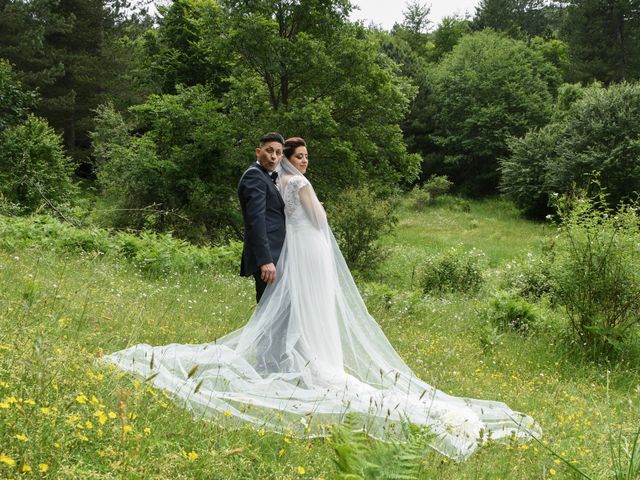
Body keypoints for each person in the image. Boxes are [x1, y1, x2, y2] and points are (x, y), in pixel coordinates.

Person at [103, 137, 541, 462]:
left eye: (292, 156)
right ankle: (287, 361)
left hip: (297, 251)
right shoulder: (271, 181)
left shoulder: (281, 181)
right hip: (288, 253)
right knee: (280, 311)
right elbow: (288, 220)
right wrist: (267, 256)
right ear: (265, 152)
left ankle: (293, 361)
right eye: (291, 155)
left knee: (287, 312)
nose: (293, 161)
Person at [237, 132, 286, 303]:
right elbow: (255, 221)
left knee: (278, 315)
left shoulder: (265, 176)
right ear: (258, 151)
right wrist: (265, 260)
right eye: (269, 151)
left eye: (278, 153)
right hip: (267, 259)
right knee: (269, 315)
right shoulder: (254, 176)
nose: (273, 157)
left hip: (275, 255)